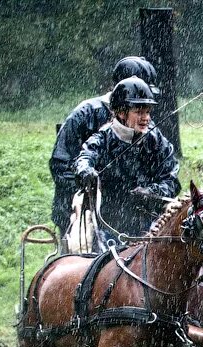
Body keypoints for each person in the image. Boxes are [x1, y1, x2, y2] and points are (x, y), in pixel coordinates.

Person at [49, 56, 160, 238]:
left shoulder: (146, 126)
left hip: (130, 217)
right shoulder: (85, 114)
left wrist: (148, 193)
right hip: (81, 214)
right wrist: (91, 190)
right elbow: (60, 165)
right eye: (139, 104)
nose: (145, 114)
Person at [74, 76, 180, 246]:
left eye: (147, 112)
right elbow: (84, 158)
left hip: (150, 226)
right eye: (139, 112)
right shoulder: (102, 138)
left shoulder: (156, 139)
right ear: (121, 113)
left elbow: (171, 179)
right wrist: (86, 171)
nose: (146, 118)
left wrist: (150, 192)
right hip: (108, 227)